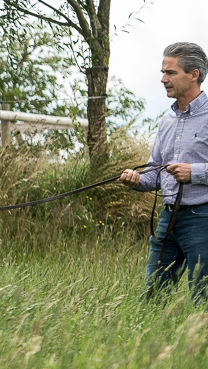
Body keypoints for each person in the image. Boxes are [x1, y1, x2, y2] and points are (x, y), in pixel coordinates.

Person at [119, 42, 208, 304]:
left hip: (203, 218)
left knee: (203, 299)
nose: (163, 79)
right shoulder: (166, 120)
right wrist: (135, 180)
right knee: (152, 299)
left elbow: (190, 172)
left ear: (194, 74)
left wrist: (195, 172)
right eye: (163, 72)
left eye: (170, 73)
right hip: (167, 219)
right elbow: (154, 174)